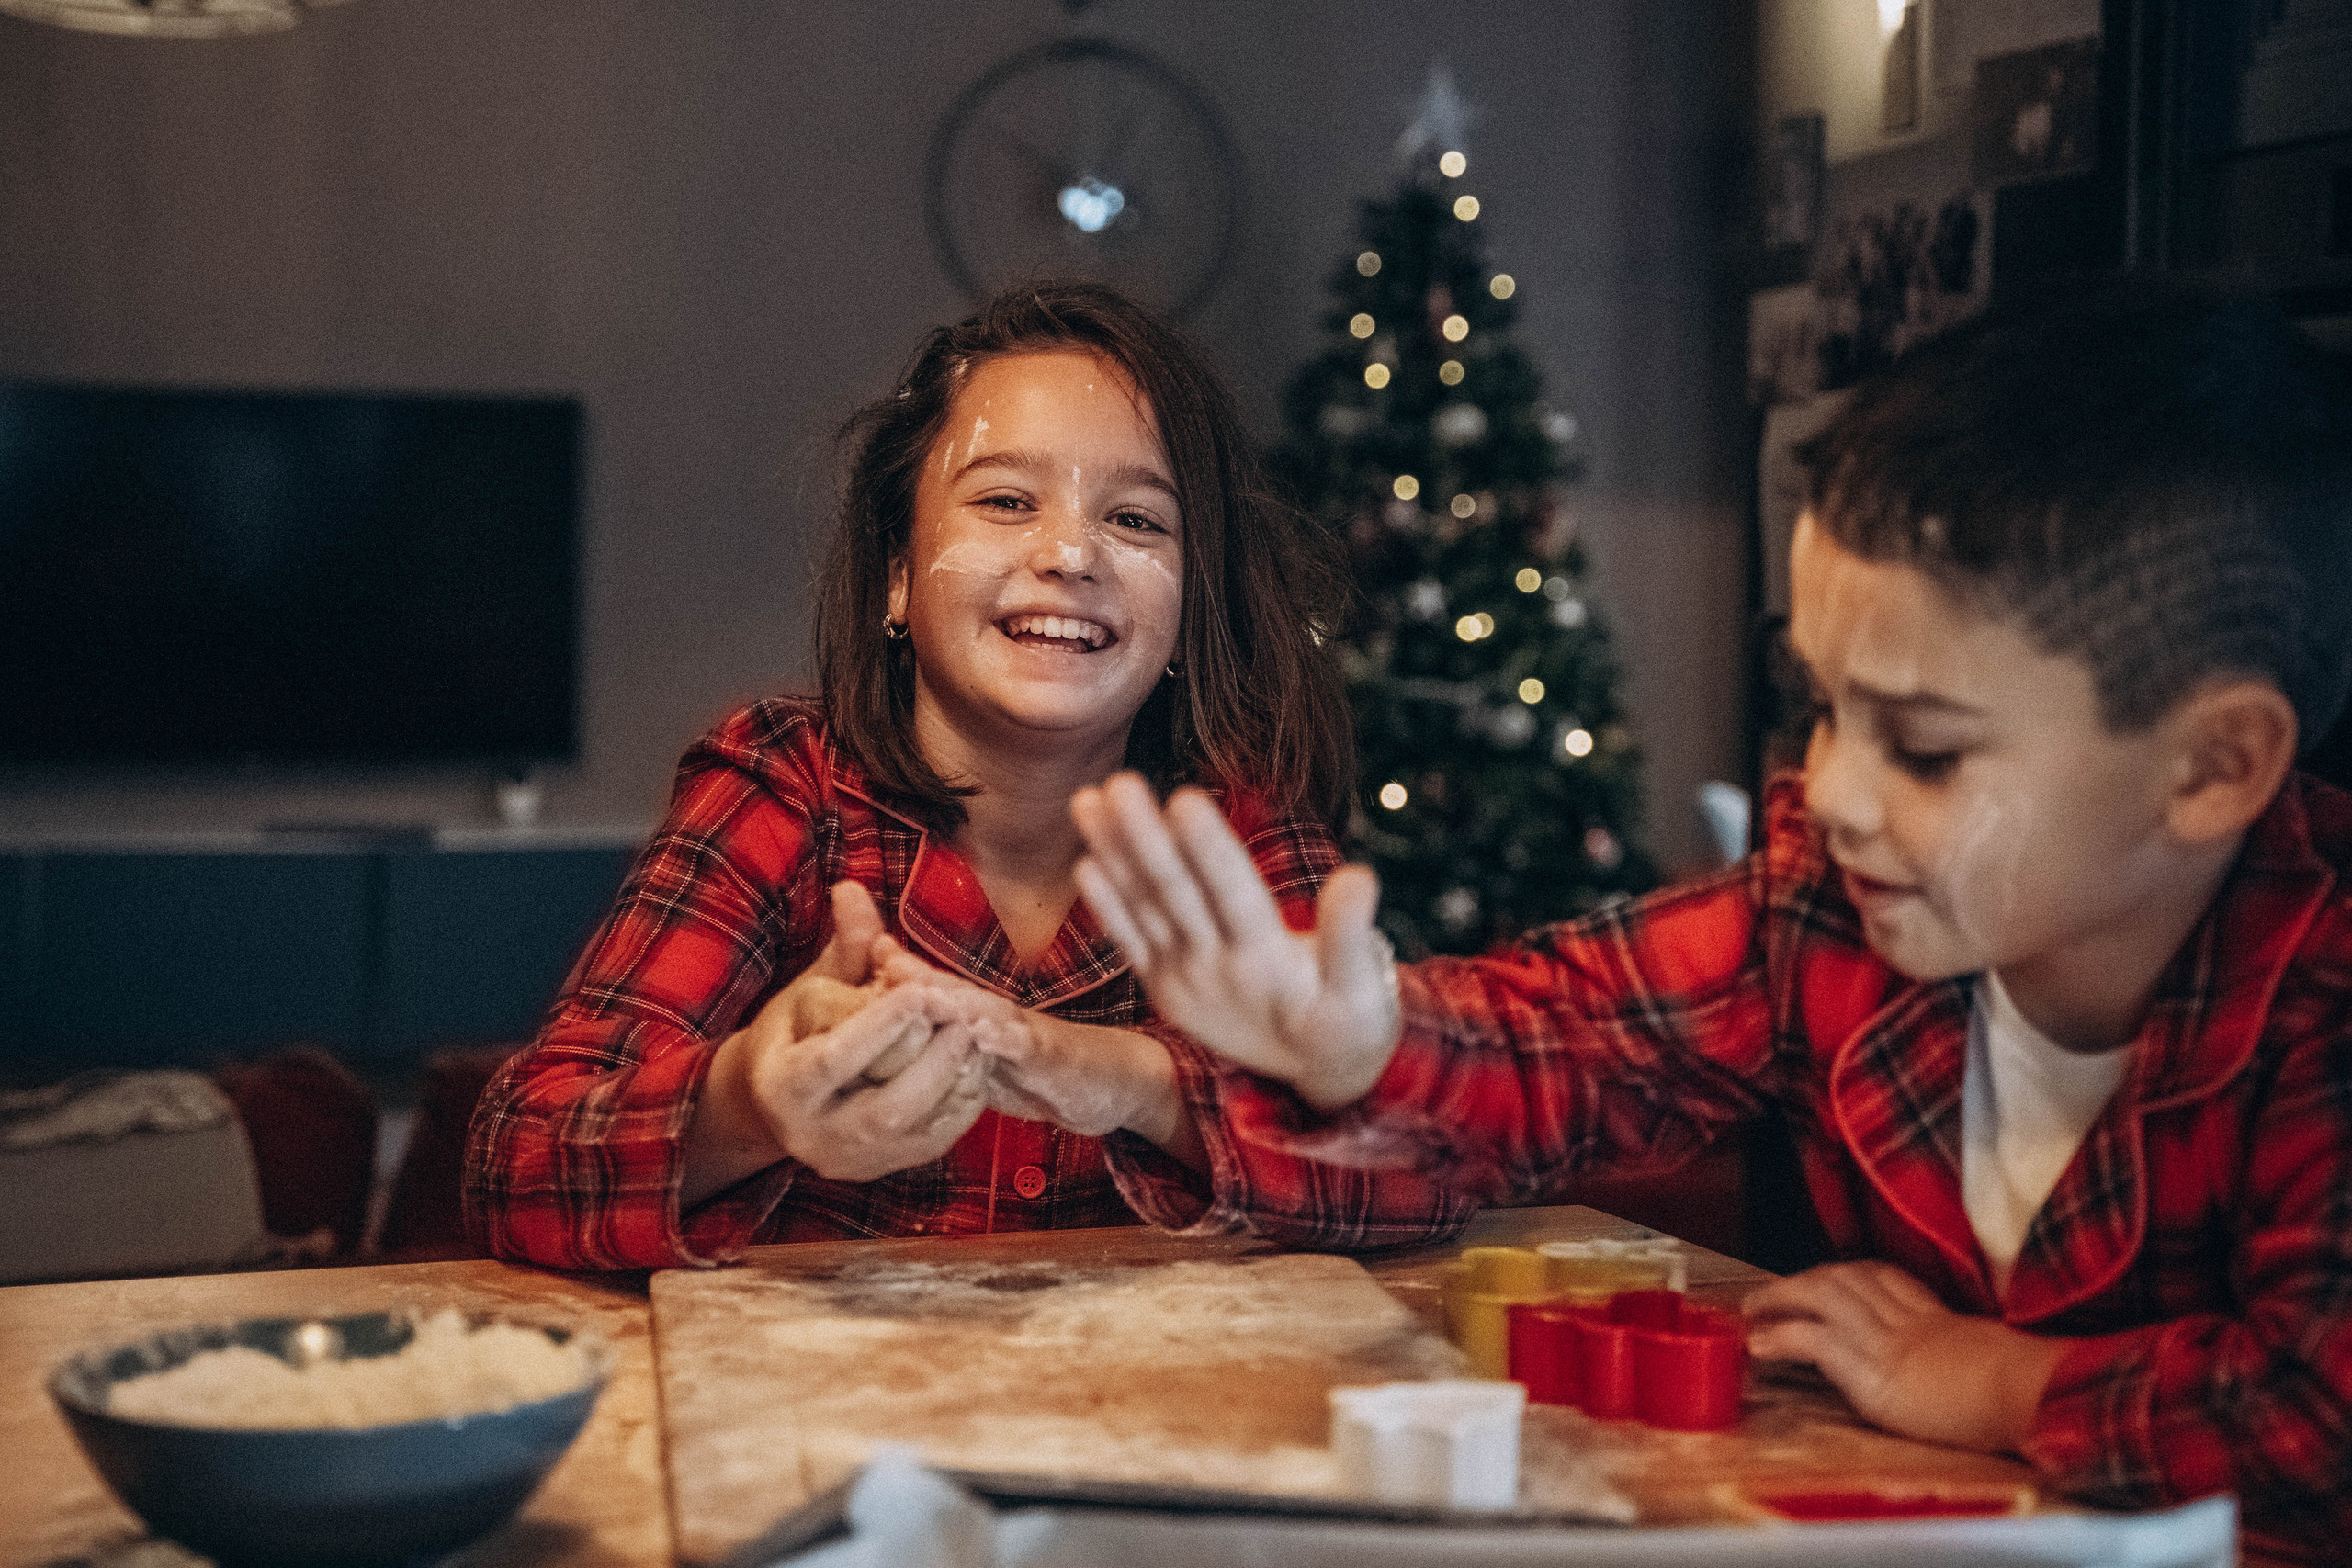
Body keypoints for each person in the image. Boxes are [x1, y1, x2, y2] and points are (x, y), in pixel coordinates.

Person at [1069, 289, 2352, 1557]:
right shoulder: (1827, 912)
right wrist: (1361, 1049)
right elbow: (1568, 1039)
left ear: (2212, 765)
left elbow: (2320, 1417)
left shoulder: (2324, 991)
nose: (1834, 792)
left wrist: (1999, 1381)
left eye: (1926, 748)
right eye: (1826, 709)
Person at [466, 281, 1473, 1269]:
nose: (1072, 552)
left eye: (1136, 521)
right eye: (1004, 500)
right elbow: (517, 1165)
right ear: (898, 573)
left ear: (1187, 608)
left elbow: (1432, 1168)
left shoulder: (1236, 828)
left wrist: (1127, 1081)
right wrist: (751, 1100)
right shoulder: (783, 785)